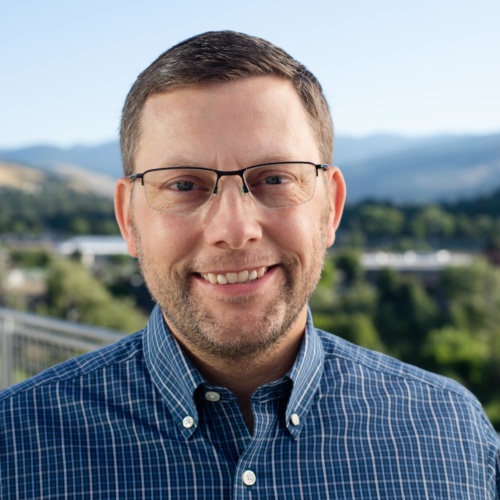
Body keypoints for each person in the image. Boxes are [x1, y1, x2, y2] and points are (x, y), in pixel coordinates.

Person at [0, 31, 499, 499]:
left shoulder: (451, 439)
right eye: (184, 184)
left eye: (275, 179)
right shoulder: (16, 447)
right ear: (128, 220)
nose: (235, 230)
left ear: (331, 208)